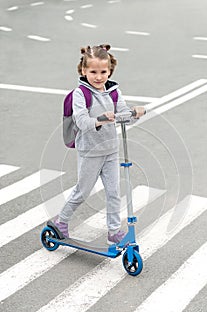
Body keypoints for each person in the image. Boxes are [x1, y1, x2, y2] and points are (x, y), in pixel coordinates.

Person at [54, 44, 145, 244]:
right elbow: (82, 122)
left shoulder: (113, 92)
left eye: (103, 71)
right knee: (83, 191)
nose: (98, 76)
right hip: (90, 151)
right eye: (93, 72)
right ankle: (61, 220)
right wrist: (100, 119)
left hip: (111, 150)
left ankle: (114, 232)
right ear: (83, 70)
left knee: (113, 193)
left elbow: (122, 116)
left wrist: (134, 113)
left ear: (110, 70)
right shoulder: (81, 94)